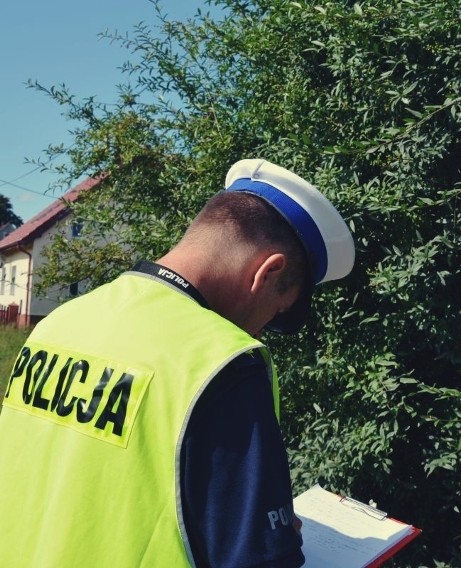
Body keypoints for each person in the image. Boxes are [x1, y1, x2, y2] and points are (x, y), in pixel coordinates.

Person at [0, 159, 355, 567]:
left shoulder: (60, 323)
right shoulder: (225, 363)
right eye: (275, 311)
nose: (259, 331)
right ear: (267, 272)